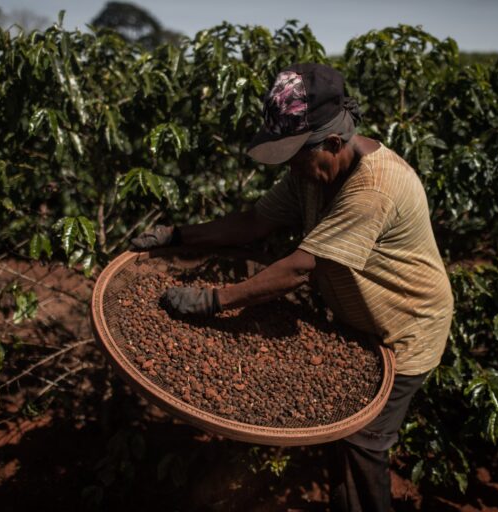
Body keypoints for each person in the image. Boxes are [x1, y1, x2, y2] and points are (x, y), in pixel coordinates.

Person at [131, 63, 454, 512]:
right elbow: (254, 222)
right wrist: (180, 235)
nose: (293, 168)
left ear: (335, 143)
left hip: (406, 329)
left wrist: (213, 301)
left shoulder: (374, 188)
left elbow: (301, 268)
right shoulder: (311, 174)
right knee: (341, 437)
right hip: (356, 323)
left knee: (364, 445)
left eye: (299, 156)